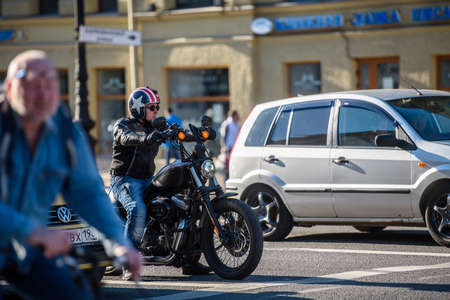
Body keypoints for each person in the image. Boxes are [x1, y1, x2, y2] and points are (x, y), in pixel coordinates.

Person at [0, 50, 142, 299]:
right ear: (9, 88)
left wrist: (119, 242)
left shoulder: (66, 133)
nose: (42, 95)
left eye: (50, 84)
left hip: (25, 249)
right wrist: (32, 231)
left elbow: (87, 193)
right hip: (26, 237)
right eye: (32, 85)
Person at [109, 87, 211, 278]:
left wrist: (201, 135)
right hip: (124, 179)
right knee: (136, 208)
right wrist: (146, 138)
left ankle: (189, 261)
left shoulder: (156, 126)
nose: (156, 110)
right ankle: (128, 264)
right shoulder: (123, 125)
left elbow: (179, 135)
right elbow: (126, 138)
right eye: (152, 107)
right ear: (138, 108)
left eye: (157, 106)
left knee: (186, 205)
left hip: (148, 179)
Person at [220, 110, 241, 179]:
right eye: (237, 115)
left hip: (236, 147)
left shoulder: (238, 124)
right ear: (234, 115)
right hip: (228, 147)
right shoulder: (227, 124)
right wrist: (223, 146)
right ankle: (227, 179)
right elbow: (223, 136)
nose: (238, 117)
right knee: (228, 165)